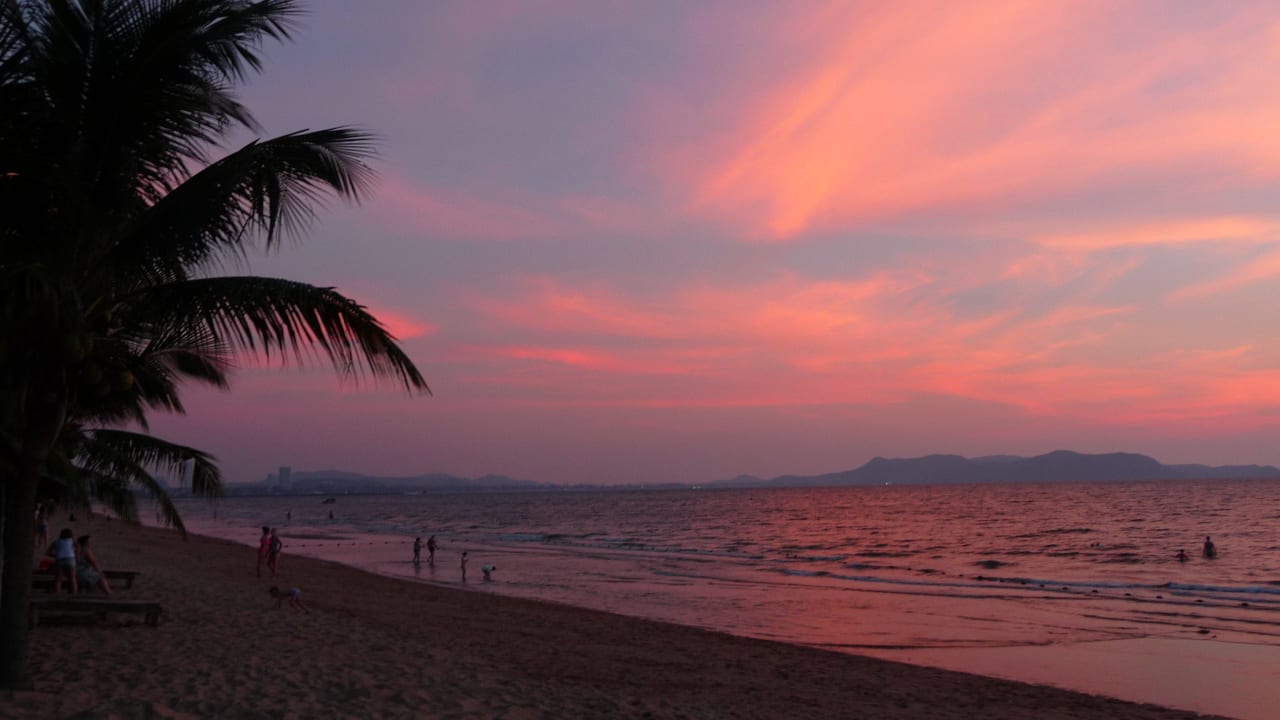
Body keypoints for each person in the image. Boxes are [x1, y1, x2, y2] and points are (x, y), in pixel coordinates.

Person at [46, 528, 78, 594]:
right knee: (72, 578)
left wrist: (55, 555)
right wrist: (75, 554)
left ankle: (57, 593)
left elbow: (47, 552)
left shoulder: (56, 542)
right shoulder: (72, 541)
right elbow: (78, 547)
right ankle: (74, 594)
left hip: (59, 560)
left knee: (58, 579)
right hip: (70, 559)